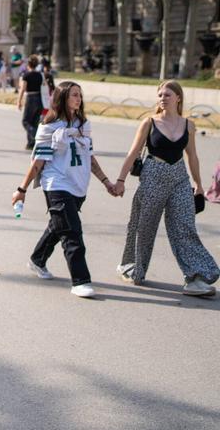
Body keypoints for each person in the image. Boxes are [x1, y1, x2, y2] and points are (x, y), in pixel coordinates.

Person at [112, 81, 219, 296]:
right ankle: (133, 268)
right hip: (153, 176)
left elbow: (192, 156)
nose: (162, 98)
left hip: (179, 178)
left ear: (178, 98)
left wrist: (198, 185)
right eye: (160, 94)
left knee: (184, 226)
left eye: (167, 94)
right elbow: (133, 153)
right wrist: (120, 180)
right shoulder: (149, 123)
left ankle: (195, 277)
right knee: (144, 227)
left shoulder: (188, 125)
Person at [12, 82, 115, 298]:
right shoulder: (49, 127)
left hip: (78, 185)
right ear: (62, 98)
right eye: (74, 95)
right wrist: (21, 189)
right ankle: (80, 281)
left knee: (58, 226)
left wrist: (106, 182)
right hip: (56, 184)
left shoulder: (83, 125)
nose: (78, 99)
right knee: (71, 232)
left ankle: (37, 260)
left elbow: (90, 157)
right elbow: (38, 162)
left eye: (80, 95)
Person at [19, 56, 44, 150]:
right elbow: (44, 86)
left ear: (28, 64)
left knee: (25, 121)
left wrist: (19, 101)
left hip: (30, 98)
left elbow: (23, 89)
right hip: (39, 98)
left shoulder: (26, 75)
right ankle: (31, 143)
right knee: (34, 122)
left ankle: (35, 135)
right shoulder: (40, 75)